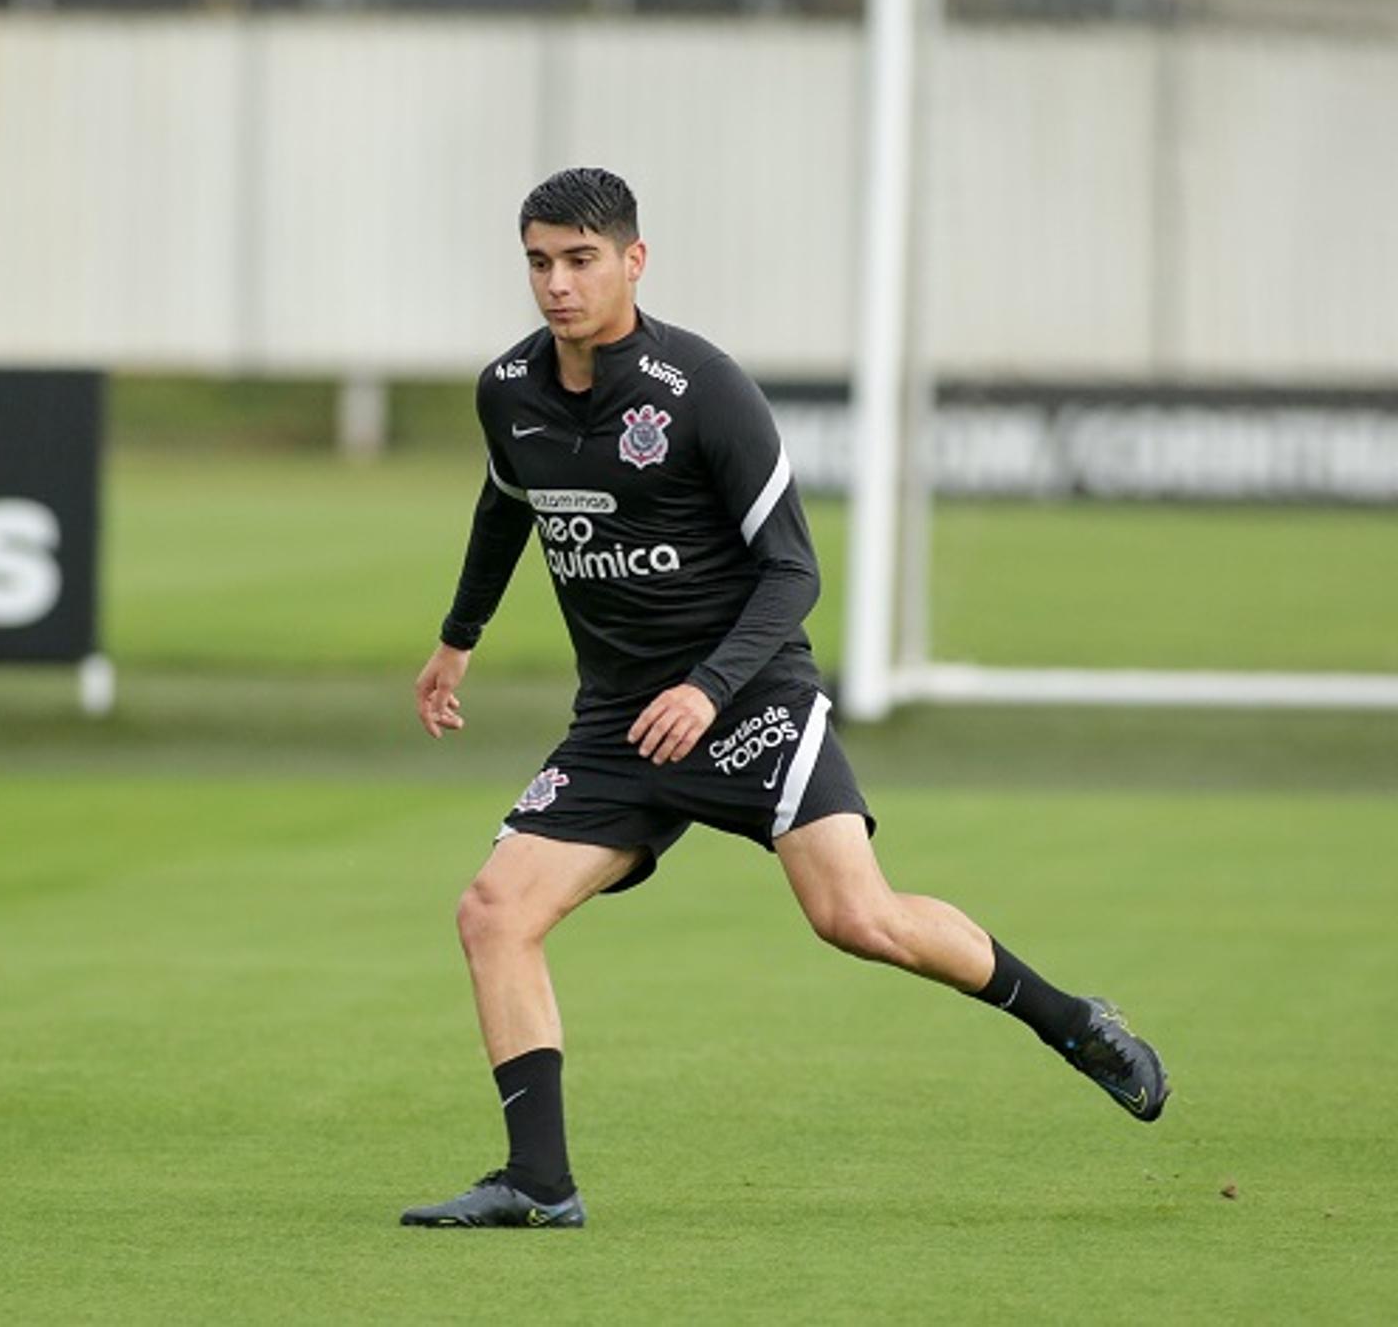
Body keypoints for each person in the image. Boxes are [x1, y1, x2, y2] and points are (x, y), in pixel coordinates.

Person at [399, 168, 1169, 1231]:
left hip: (748, 695)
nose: (558, 284)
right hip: (621, 723)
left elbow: (793, 571)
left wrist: (710, 689)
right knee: (493, 912)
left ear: (634, 259)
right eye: (539, 261)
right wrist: (457, 640)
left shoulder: (704, 387)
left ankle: (1072, 1021)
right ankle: (539, 1183)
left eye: (580, 260)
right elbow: (506, 506)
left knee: (858, 918)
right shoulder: (510, 389)